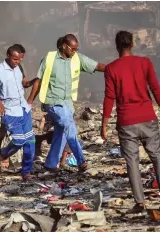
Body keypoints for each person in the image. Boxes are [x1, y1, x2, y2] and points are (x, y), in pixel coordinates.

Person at [28, 34, 106, 173]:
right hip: (52, 102)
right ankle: (81, 161)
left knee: (62, 132)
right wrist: (29, 101)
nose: (75, 51)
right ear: (64, 46)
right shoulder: (49, 58)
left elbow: (97, 66)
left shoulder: (77, 58)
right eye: (73, 49)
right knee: (70, 127)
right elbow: (38, 81)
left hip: (68, 104)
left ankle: (50, 165)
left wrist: (119, 68)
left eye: (77, 49)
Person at [101, 30, 160, 213]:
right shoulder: (145, 63)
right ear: (132, 44)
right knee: (157, 157)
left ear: (116, 46)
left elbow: (109, 97)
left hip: (126, 121)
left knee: (132, 162)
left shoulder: (111, 68)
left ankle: (140, 203)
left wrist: (104, 124)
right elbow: (155, 89)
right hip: (148, 117)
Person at [0, 44, 36, 181]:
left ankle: (26, 172)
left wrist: (36, 81)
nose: (18, 62)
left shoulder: (18, 67)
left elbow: (24, 83)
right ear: (8, 56)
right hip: (10, 110)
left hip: (23, 109)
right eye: (15, 59)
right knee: (19, 140)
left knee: (30, 141)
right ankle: (4, 153)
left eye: (20, 59)